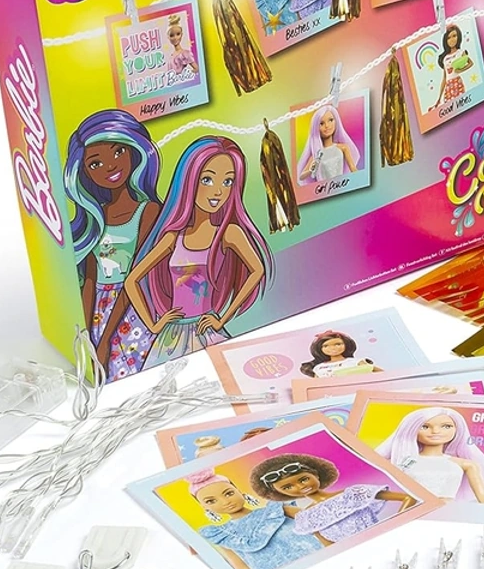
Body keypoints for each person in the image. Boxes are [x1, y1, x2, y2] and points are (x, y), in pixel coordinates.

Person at [125, 136, 272, 366]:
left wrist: (222, 318)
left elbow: (257, 270)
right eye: (207, 180)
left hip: (207, 331)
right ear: (189, 181)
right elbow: (131, 280)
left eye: (228, 182)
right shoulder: (173, 237)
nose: (218, 192)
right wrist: (153, 325)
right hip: (172, 336)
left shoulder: (228, 233)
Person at [63, 109, 163, 377]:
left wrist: (106, 340)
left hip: (135, 306)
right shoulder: (95, 220)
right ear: (84, 172)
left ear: (134, 151)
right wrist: (86, 336)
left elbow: (137, 276)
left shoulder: (148, 211)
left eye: (118, 151)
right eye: (95, 164)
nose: (110, 166)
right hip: (99, 311)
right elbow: (90, 282)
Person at [249, 453, 416, 545]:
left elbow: (408, 498)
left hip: (390, 541)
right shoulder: (306, 517)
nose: (299, 487)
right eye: (287, 487)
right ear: (280, 493)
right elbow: (328, 545)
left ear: (315, 474)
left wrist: (394, 527)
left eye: (303, 479)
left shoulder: (353, 493)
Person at [187, 468, 320, 569]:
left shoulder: (275, 510)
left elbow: (315, 522)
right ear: (204, 506)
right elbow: (242, 567)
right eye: (211, 501)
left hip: (317, 562)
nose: (225, 502)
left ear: (238, 490)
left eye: (229, 493)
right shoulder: (222, 534)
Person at [375, 407, 484, 503]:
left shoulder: (465, 464)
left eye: (446, 426)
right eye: (425, 427)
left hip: (449, 511)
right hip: (414, 511)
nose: (435, 431)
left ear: (457, 429)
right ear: (412, 430)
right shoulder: (403, 461)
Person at [296, 104, 360, 184]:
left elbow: (353, 168)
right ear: (316, 128)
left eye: (330, 120)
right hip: (325, 187)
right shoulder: (316, 156)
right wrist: (310, 170)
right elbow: (301, 177)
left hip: (341, 185)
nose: (327, 126)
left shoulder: (343, 148)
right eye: (321, 123)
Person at [299, 331, 381, 378]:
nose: (332, 348)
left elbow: (379, 373)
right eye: (326, 346)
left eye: (338, 344)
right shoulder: (318, 367)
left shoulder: (356, 362)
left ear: (346, 344)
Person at [435, 24, 473, 110]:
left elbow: (470, 63)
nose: (452, 40)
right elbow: (444, 78)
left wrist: (461, 69)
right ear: (446, 40)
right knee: (450, 109)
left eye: (454, 36)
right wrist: (439, 98)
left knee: (461, 107)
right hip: (448, 86)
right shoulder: (445, 58)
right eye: (449, 38)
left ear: (458, 37)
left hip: (457, 83)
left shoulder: (461, 52)